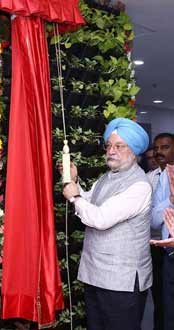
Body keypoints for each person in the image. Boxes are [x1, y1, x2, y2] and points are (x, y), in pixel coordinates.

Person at [62, 118, 152, 330]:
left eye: (119, 146)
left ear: (134, 151)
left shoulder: (140, 185)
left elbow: (100, 218)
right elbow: (88, 203)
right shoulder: (106, 178)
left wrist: (75, 197)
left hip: (122, 282)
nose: (111, 151)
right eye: (109, 145)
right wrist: (73, 183)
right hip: (96, 275)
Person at [147, 133, 174, 330]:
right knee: (166, 309)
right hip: (167, 254)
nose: (158, 152)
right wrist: (171, 200)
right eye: (156, 148)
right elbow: (154, 221)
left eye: (165, 147)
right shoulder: (161, 177)